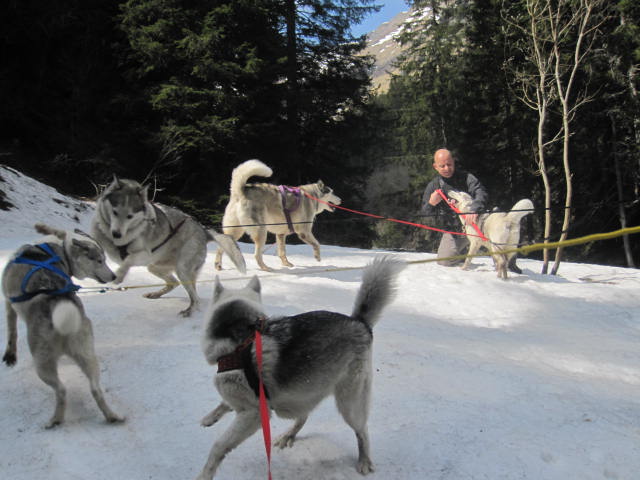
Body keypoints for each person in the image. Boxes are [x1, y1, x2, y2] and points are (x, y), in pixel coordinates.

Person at [420, 149, 524, 273]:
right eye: (442, 166)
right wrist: (431, 203)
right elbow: (424, 213)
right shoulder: (433, 186)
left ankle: (510, 261)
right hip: (455, 231)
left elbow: (480, 191)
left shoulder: (466, 177)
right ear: (435, 166)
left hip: (479, 225)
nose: (447, 168)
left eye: (449, 164)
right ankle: (462, 252)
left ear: (453, 162)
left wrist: (474, 209)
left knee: (502, 259)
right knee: (444, 261)